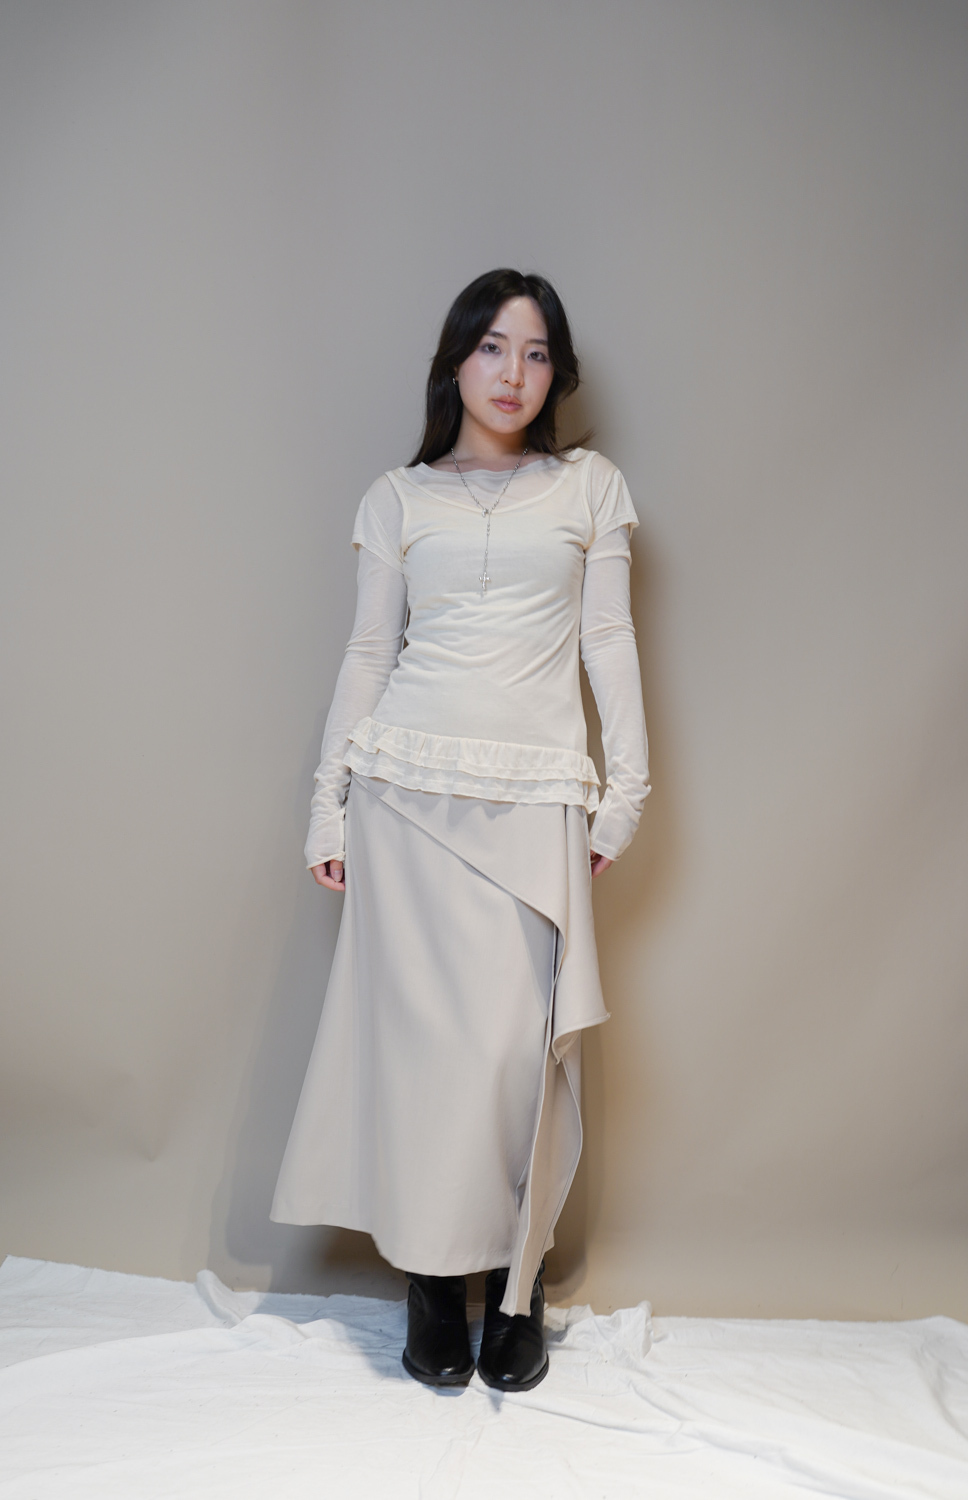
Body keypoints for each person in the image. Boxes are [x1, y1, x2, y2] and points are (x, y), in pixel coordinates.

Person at [270, 268, 650, 1392]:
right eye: (492, 348)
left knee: (515, 1056)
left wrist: (625, 794)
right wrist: (328, 803)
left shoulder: (590, 488)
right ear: (455, 362)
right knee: (426, 1057)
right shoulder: (396, 499)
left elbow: (609, 644)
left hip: (535, 797)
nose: (512, 373)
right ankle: (436, 1289)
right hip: (403, 795)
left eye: (534, 353)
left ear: (556, 373)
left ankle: (516, 1289)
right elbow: (368, 654)